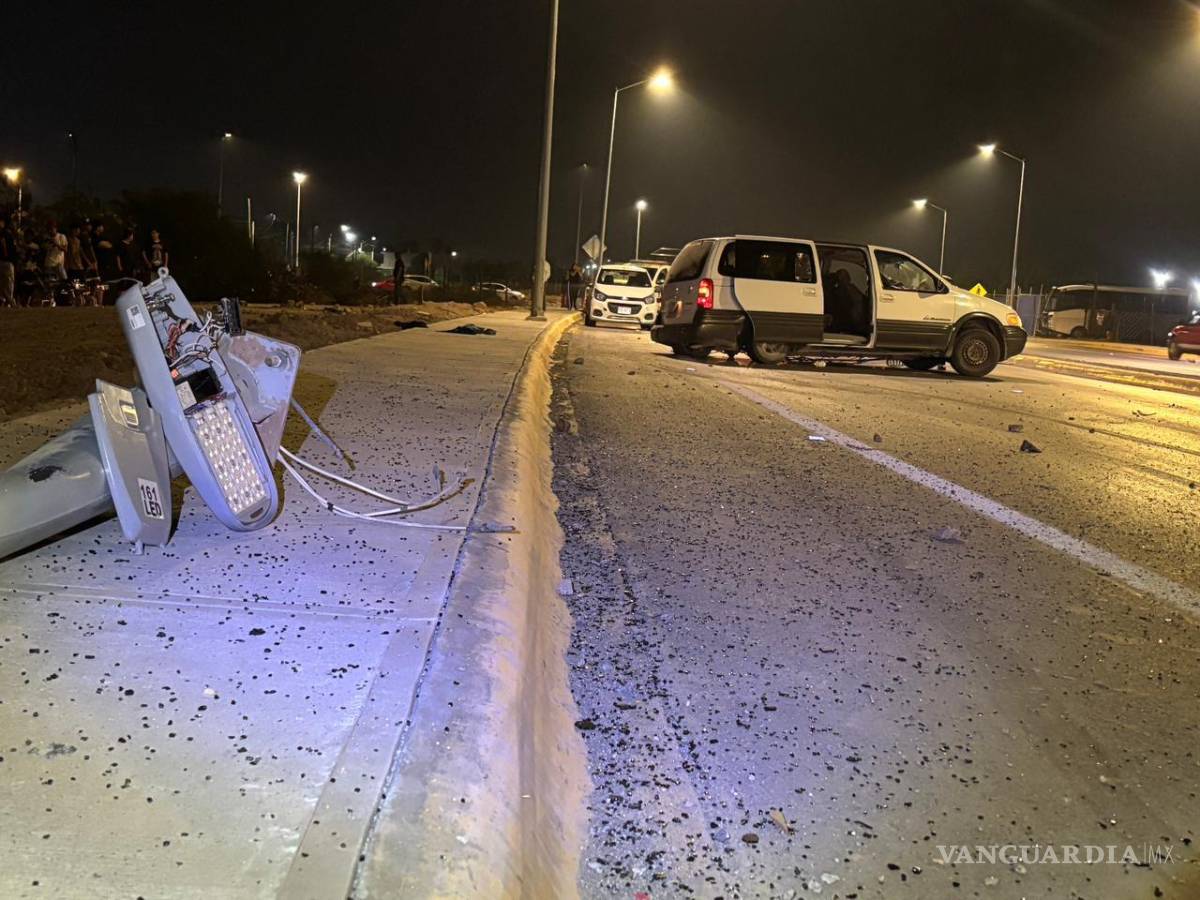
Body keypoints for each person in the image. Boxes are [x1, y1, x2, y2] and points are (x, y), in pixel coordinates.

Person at [0, 216, 15, 307]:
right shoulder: (5, 233)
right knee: (7, 282)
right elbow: (3, 243)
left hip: (5, 261)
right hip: (6, 261)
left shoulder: (6, 233)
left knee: (4, 282)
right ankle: (9, 301)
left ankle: (4, 300)